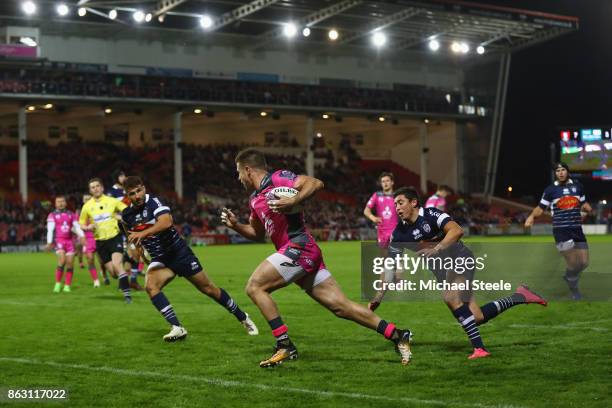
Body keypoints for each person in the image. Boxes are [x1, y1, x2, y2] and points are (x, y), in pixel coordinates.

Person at [221, 148, 413, 367]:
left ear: (248, 170)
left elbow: (315, 183)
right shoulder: (254, 199)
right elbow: (256, 234)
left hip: (299, 246)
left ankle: (285, 345)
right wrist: (235, 225)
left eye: (238, 172)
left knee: (255, 286)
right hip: (298, 251)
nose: (238, 178)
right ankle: (398, 334)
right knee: (341, 307)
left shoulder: (277, 178)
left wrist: (294, 201)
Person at [390, 187, 547, 359]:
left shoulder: (431, 214)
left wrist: (437, 248)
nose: (397, 208)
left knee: (450, 297)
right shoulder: (399, 232)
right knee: (476, 317)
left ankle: (480, 349)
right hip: (443, 271)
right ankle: (520, 296)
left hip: (460, 258)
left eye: (400, 202)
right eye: (395, 204)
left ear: (413, 203)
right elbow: (393, 259)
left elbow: (457, 230)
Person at [121, 176, 258, 341]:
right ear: (127, 196)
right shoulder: (127, 215)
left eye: (139, 191)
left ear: (144, 188)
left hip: (179, 253)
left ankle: (242, 316)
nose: (137, 196)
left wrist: (143, 233)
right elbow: (130, 237)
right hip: (161, 259)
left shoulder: (154, 202)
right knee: (151, 286)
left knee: (209, 289)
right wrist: (135, 248)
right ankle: (177, 327)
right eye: (132, 194)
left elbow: (166, 222)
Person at [525, 162, 592, 300]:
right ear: (555, 173)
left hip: (577, 229)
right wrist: (531, 216)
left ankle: (569, 276)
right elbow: (540, 208)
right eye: (557, 171)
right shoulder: (550, 190)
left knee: (584, 263)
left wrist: (587, 208)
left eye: (563, 170)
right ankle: (574, 291)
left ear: (567, 171)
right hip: (561, 231)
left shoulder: (578, 187)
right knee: (573, 263)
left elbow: (584, 203)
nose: (560, 173)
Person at [79, 178, 132, 303]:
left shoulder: (112, 201)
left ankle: (127, 296)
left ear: (102, 188)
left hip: (115, 237)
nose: (96, 188)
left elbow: (128, 211)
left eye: (98, 186)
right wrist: (87, 227)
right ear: (90, 190)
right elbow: (81, 223)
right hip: (100, 242)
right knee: (114, 273)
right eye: (93, 187)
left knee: (117, 265)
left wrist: (121, 216)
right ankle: (127, 260)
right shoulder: (87, 206)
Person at [363, 172, 399, 311]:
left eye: (387, 181)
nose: (385, 183)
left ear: (392, 182)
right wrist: (373, 218)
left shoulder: (398, 196)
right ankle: (382, 289)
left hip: (396, 233)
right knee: (384, 262)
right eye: (383, 181)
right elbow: (366, 210)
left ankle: (390, 284)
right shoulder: (376, 196)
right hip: (382, 233)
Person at [108, 169, 143, 291]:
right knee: (124, 253)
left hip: (131, 223)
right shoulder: (111, 192)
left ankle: (132, 281)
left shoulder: (128, 190)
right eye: (122, 175)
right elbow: (109, 210)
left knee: (136, 252)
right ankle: (124, 282)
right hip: (118, 226)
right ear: (117, 177)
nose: (124, 177)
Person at [46, 195, 87, 292]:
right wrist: (49, 242)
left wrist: (82, 236)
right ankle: (58, 284)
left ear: (65, 203)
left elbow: (76, 227)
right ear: (55, 204)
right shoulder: (52, 215)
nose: (60, 203)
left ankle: (67, 285)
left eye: (62, 201)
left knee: (70, 264)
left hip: (69, 242)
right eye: (58, 202)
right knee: (62, 261)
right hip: (59, 241)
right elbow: (50, 230)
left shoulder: (71, 214)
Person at [78, 193, 101, 287]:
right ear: (83, 201)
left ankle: (103, 273)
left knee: (102, 260)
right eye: (85, 199)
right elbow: (78, 227)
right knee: (90, 259)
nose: (87, 200)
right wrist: (81, 237)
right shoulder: (80, 213)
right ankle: (96, 280)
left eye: (88, 199)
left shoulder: (97, 210)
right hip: (88, 239)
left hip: (99, 237)